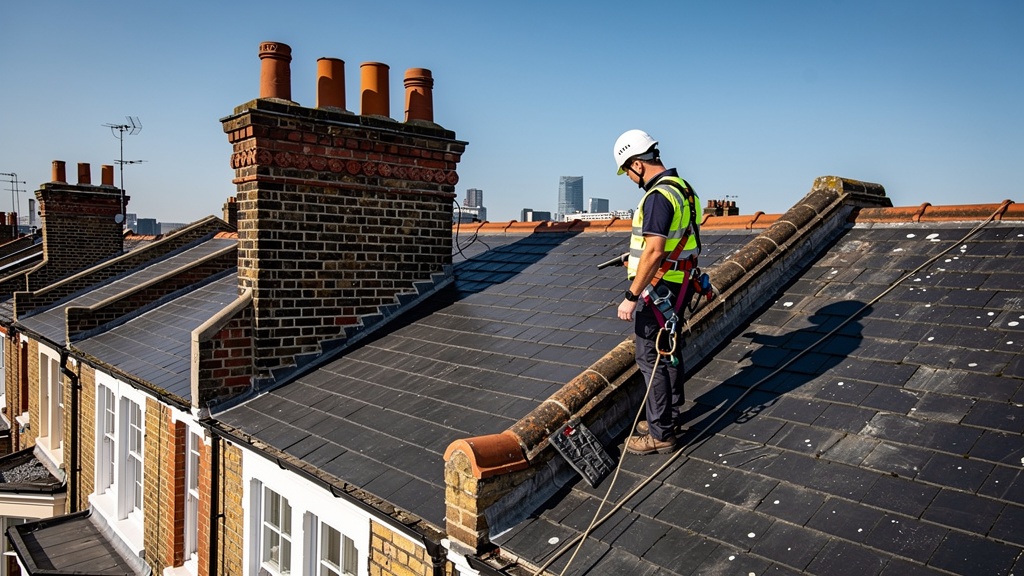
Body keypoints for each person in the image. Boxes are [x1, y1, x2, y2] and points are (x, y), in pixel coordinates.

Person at [613, 129, 702, 455]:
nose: (628, 178)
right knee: (669, 350)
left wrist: (631, 296)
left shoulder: (657, 197)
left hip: (658, 289)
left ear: (637, 164)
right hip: (678, 283)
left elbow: (653, 250)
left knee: (651, 357)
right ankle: (668, 414)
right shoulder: (684, 190)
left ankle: (661, 432)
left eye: (627, 171)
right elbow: (677, 241)